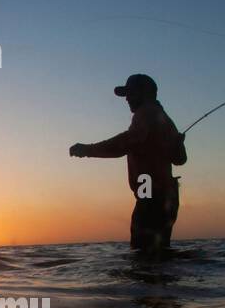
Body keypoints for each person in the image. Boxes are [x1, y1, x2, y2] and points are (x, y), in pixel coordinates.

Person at [70, 73, 187, 253]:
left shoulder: (146, 112)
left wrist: (87, 150)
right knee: (159, 253)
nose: (126, 99)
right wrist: (178, 142)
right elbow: (180, 159)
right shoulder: (163, 118)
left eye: (130, 93)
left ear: (146, 92)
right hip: (166, 193)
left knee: (143, 254)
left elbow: (127, 141)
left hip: (149, 188)